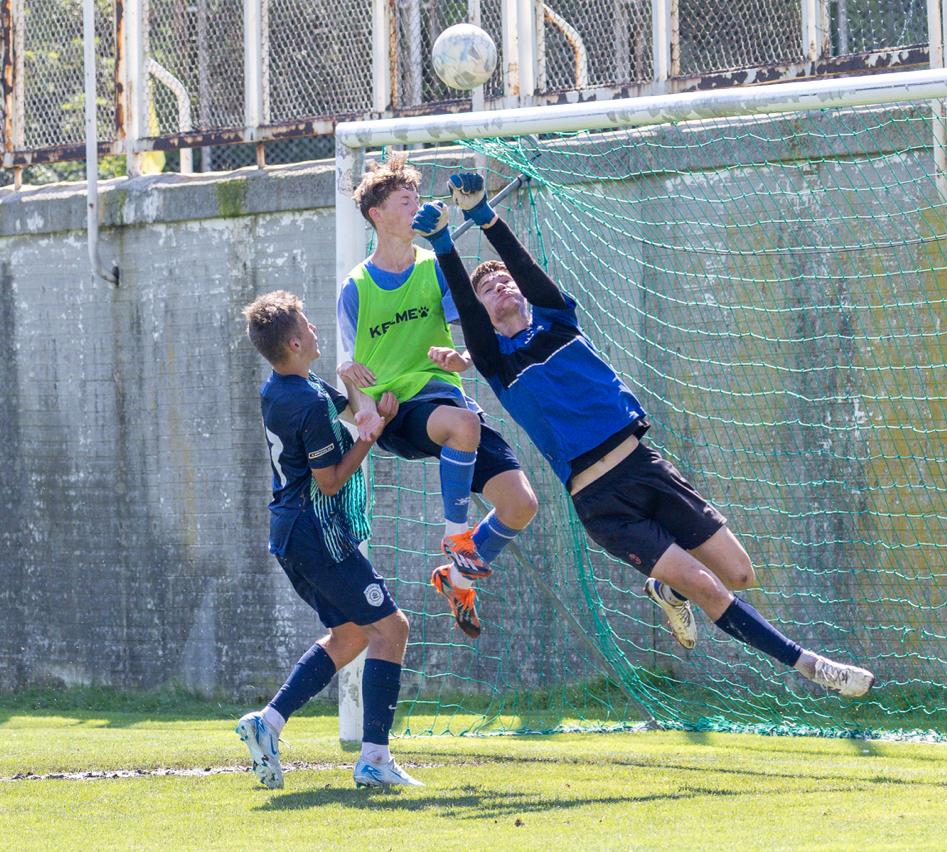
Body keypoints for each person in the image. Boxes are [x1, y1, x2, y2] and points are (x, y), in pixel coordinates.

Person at [409, 173, 875, 698]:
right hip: (601, 501)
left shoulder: (559, 323)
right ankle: (813, 666)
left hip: (646, 467)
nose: (499, 287)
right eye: (486, 290)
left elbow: (527, 270)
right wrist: (443, 243)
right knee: (706, 587)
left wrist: (485, 216)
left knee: (740, 574)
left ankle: (666, 589)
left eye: (504, 282)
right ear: (481, 314)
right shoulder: (498, 363)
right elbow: (470, 318)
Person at [339, 154, 539, 638]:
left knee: (520, 504)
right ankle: (456, 539)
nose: (417, 207)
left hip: (447, 402)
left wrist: (462, 358)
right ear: (377, 215)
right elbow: (350, 373)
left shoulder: (435, 268)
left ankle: (455, 580)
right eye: (405, 202)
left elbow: (474, 330)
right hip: (398, 412)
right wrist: (365, 414)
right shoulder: (356, 288)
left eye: (417, 199)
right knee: (464, 425)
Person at [235, 290, 421, 789]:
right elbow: (331, 480)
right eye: (308, 324)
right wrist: (369, 438)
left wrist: (357, 392)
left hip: (290, 533)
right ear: (295, 343)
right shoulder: (308, 401)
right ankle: (374, 759)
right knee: (392, 629)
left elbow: (352, 411)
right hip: (317, 534)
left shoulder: (283, 385)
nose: (316, 329)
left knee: (353, 634)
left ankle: (267, 723)